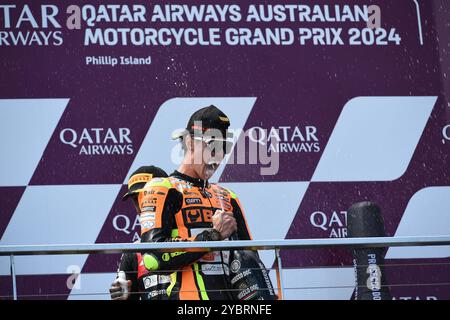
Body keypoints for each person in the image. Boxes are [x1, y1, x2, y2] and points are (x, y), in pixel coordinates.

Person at [138, 105, 253, 300]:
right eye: (212, 145)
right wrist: (213, 236)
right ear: (190, 142)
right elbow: (153, 258)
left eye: (224, 147)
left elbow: (250, 263)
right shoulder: (162, 188)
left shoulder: (228, 197)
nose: (218, 155)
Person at [109, 166, 173, 300]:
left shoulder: (190, 239)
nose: (140, 207)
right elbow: (124, 295)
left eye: (146, 197)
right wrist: (120, 296)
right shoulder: (133, 251)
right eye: (135, 200)